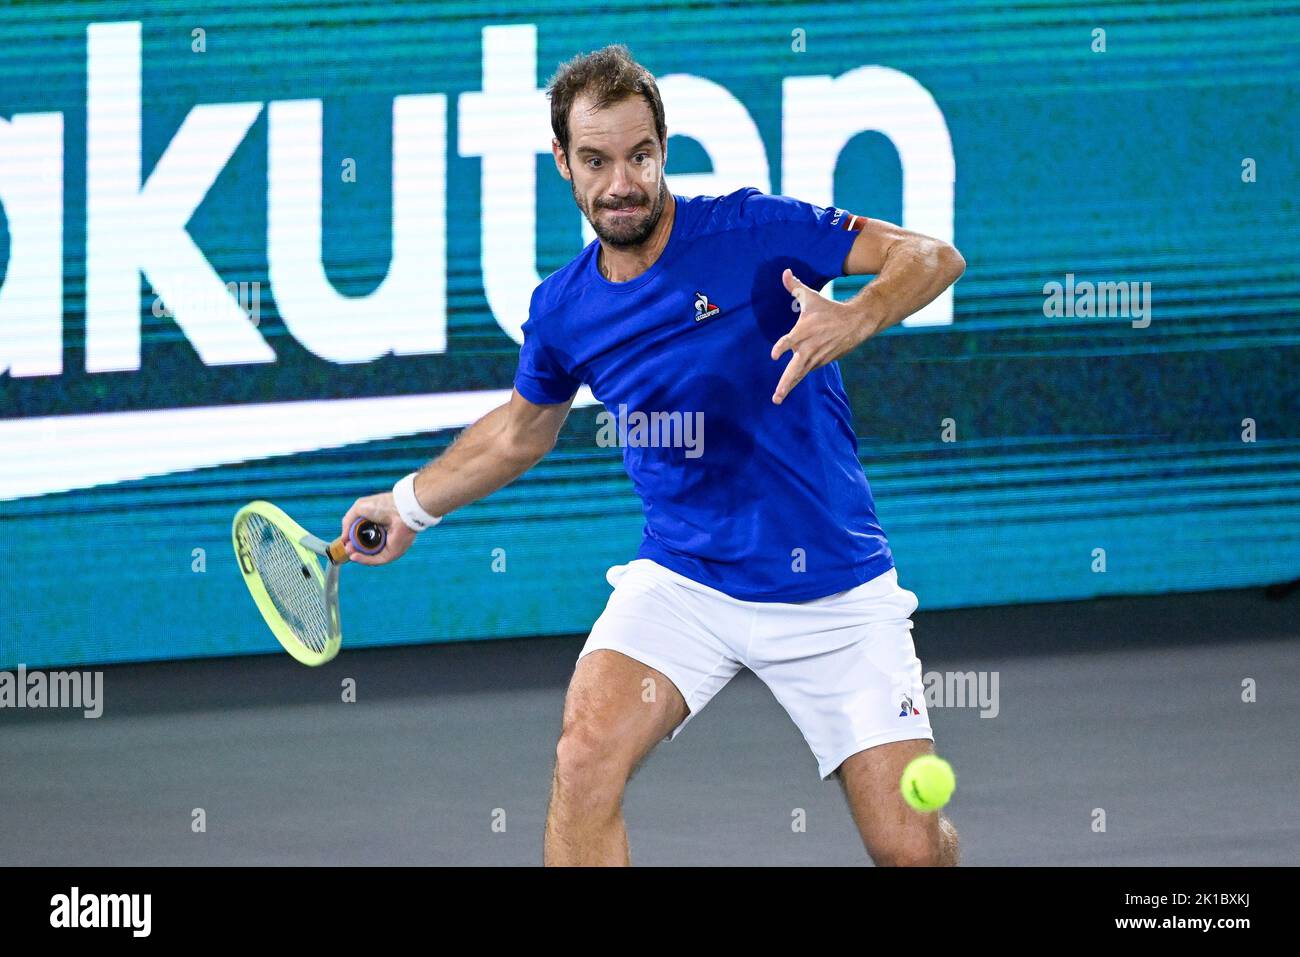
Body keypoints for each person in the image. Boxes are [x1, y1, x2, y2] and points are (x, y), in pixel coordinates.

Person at [341, 44, 965, 866]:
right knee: (584, 756)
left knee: (911, 849)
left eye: (639, 156)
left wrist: (858, 315)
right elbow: (523, 431)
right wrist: (408, 503)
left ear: (662, 148)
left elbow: (931, 255)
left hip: (831, 588)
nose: (621, 182)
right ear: (562, 160)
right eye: (595, 160)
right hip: (684, 580)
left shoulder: (753, 231)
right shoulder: (564, 308)